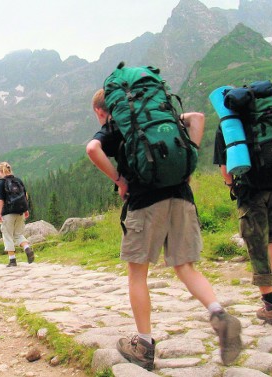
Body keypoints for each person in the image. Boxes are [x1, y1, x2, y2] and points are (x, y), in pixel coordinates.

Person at [86, 89, 242, 371]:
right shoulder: (157, 119)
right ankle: (218, 314)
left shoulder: (115, 126)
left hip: (145, 202)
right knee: (186, 268)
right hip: (182, 197)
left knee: (137, 274)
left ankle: (143, 345)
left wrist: (120, 180)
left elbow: (92, 149)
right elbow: (196, 118)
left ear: (100, 111)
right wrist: (189, 165)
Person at [214, 129, 272, 326]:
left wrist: (232, 188)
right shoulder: (271, 117)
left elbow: (225, 167)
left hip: (250, 191)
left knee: (257, 248)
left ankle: (270, 307)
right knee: (271, 237)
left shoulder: (228, 124)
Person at [0, 162, 34, 267]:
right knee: (18, 234)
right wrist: (26, 209)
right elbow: (25, 195)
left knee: (7, 236)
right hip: (20, 211)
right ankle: (27, 248)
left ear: (0, 171)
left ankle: (12, 260)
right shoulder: (18, 181)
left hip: (8, 213)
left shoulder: (0, 183)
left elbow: (0, 200)